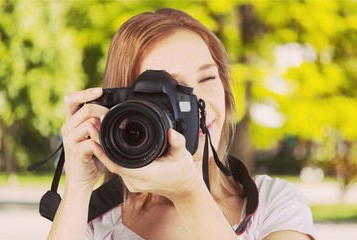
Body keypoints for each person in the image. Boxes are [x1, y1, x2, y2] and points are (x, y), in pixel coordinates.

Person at [47, 8, 317, 240]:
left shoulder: (275, 203)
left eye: (208, 78)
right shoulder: (96, 219)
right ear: (124, 109)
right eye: (172, 89)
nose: (197, 102)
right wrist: (78, 187)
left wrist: (188, 192)